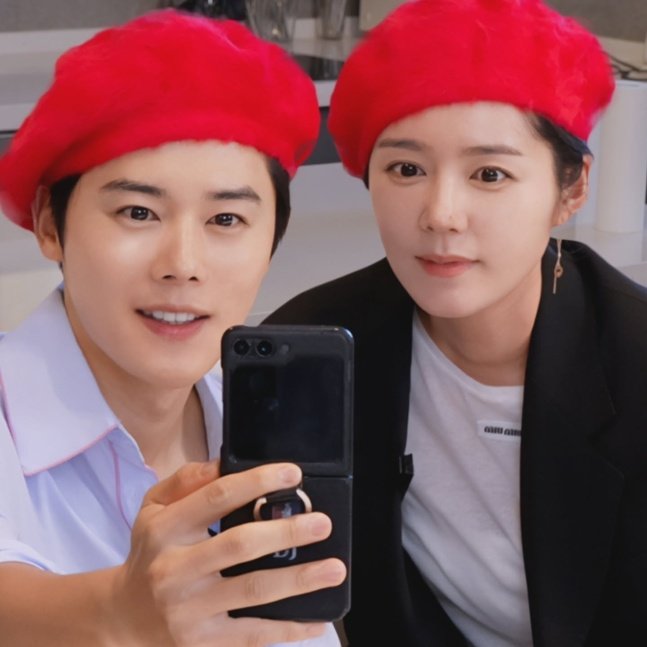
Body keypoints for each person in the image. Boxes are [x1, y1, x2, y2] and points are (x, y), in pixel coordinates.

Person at [267, 0, 647, 645]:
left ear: (572, 189)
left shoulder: (635, 360)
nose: (441, 214)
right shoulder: (311, 349)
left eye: (489, 174)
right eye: (406, 169)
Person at [0, 10, 346, 646]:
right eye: (138, 212)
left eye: (226, 220)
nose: (182, 265)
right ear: (51, 224)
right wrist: (115, 615)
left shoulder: (267, 426)